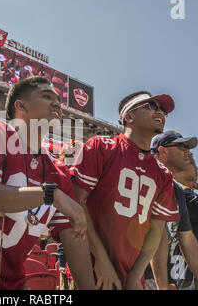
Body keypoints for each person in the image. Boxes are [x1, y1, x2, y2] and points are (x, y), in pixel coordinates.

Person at [0, 76, 95, 290]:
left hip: (13, 282)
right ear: (21, 105)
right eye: (47, 96)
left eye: (57, 100)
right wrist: (50, 195)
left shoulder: (57, 170)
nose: (56, 104)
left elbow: (74, 233)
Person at [70, 91, 180, 290]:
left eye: (163, 110)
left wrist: (136, 274)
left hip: (132, 276)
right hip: (92, 268)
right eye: (152, 106)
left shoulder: (163, 174)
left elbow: (156, 230)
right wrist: (101, 258)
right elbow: (75, 202)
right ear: (129, 117)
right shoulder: (101, 147)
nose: (161, 113)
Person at [150, 131, 198, 290]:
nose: (187, 152)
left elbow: (187, 237)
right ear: (163, 151)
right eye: (181, 146)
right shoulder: (165, 186)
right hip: (189, 280)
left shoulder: (177, 191)